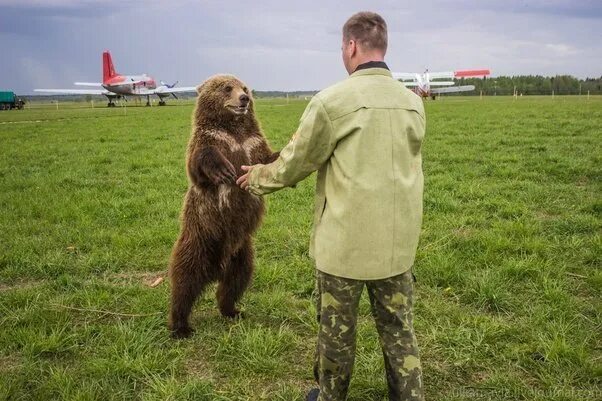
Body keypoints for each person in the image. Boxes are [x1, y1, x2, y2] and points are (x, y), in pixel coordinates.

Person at [237, 11, 426, 401]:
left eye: (343, 46)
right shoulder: (413, 103)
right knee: (398, 329)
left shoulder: (331, 102)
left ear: (351, 46)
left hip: (345, 247)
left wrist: (255, 177)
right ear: (383, 46)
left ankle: (329, 397)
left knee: (336, 334)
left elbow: (295, 163)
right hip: (398, 244)